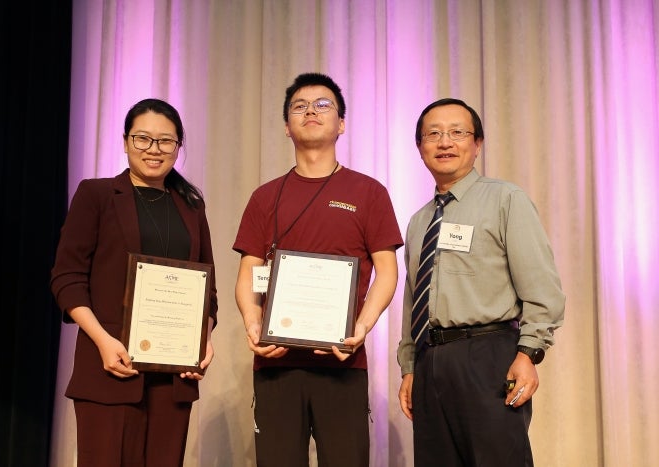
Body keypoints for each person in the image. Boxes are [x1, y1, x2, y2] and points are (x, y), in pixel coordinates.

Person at [233, 72, 403, 467]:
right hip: (276, 362)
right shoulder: (264, 196)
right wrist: (252, 322)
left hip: (341, 361)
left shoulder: (369, 192)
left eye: (323, 104)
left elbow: (388, 271)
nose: (311, 111)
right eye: (299, 106)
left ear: (341, 123)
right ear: (287, 128)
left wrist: (361, 328)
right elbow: (248, 273)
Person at [397, 98, 565, 466]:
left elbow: (541, 286)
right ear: (420, 147)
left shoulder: (506, 199)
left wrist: (529, 353)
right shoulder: (418, 221)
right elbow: (414, 300)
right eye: (434, 134)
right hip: (431, 361)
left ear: (478, 144)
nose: (445, 142)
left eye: (457, 132)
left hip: (489, 356)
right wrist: (411, 367)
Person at [50, 98, 218, 467]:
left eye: (165, 141)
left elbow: (208, 291)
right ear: (126, 142)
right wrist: (103, 342)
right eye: (142, 138)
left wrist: (202, 343)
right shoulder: (96, 195)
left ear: (178, 147)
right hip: (110, 366)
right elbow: (67, 277)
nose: (153, 150)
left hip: (174, 376)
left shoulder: (191, 206)